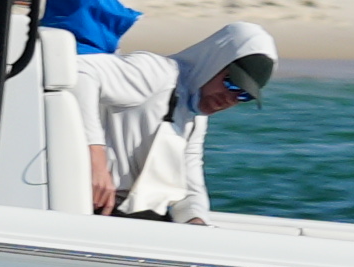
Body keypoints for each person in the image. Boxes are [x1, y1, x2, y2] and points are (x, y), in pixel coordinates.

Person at [108, 19, 280, 221]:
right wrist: (95, 153)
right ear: (214, 62)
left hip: (136, 215)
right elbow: (82, 74)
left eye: (244, 96)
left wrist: (196, 219)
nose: (230, 99)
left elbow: (190, 187)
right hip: (95, 206)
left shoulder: (196, 118)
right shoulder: (154, 73)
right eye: (232, 84)